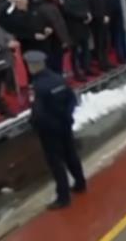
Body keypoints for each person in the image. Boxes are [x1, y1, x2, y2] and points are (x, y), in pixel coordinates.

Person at [24, 50, 86, 208]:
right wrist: (67, 117)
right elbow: (71, 100)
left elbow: (38, 112)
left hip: (49, 130)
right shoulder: (59, 79)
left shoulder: (37, 87)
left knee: (56, 162)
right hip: (65, 124)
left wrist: (35, 125)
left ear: (32, 67)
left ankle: (63, 196)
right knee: (71, 154)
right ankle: (80, 182)